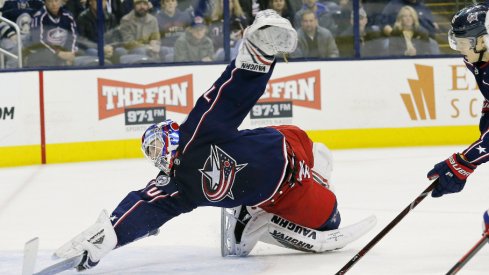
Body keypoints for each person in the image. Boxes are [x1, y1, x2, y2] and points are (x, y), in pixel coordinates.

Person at [53, 10, 374, 271]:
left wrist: (257, 57)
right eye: (151, 153)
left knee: (320, 152)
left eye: (157, 144)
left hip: (287, 143)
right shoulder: (177, 186)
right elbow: (146, 204)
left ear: (172, 136)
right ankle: (252, 214)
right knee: (331, 219)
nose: (157, 155)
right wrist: (109, 235)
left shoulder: (196, 139)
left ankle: (263, 207)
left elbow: (225, 99)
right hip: (279, 195)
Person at [427, 3, 489, 197]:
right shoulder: (475, 57)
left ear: (484, 40)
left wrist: (464, 162)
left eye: (464, 43)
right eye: (457, 42)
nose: (460, 49)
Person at [25, 0, 78, 67]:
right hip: (42, 55)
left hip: (64, 53)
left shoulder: (68, 16)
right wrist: (58, 53)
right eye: (50, 1)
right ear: (45, 2)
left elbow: (74, 37)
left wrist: (70, 53)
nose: (54, 4)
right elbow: (38, 42)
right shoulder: (38, 17)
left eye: (56, 0)